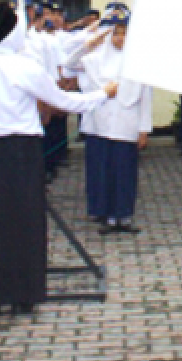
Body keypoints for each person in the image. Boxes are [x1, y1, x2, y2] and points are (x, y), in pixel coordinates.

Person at [0, 3, 116, 315]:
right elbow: (64, 101)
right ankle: (22, 293)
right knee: (23, 224)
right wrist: (103, 95)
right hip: (21, 152)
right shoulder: (25, 68)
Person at [65, 12, 152, 235]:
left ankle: (123, 215)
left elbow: (145, 97)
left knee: (125, 172)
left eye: (124, 34)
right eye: (116, 34)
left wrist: (144, 129)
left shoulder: (139, 60)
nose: (120, 39)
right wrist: (89, 43)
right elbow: (70, 63)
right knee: (104, 171)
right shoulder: (95, 58)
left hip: (126, 123)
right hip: (100, 124)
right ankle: (106, 216)